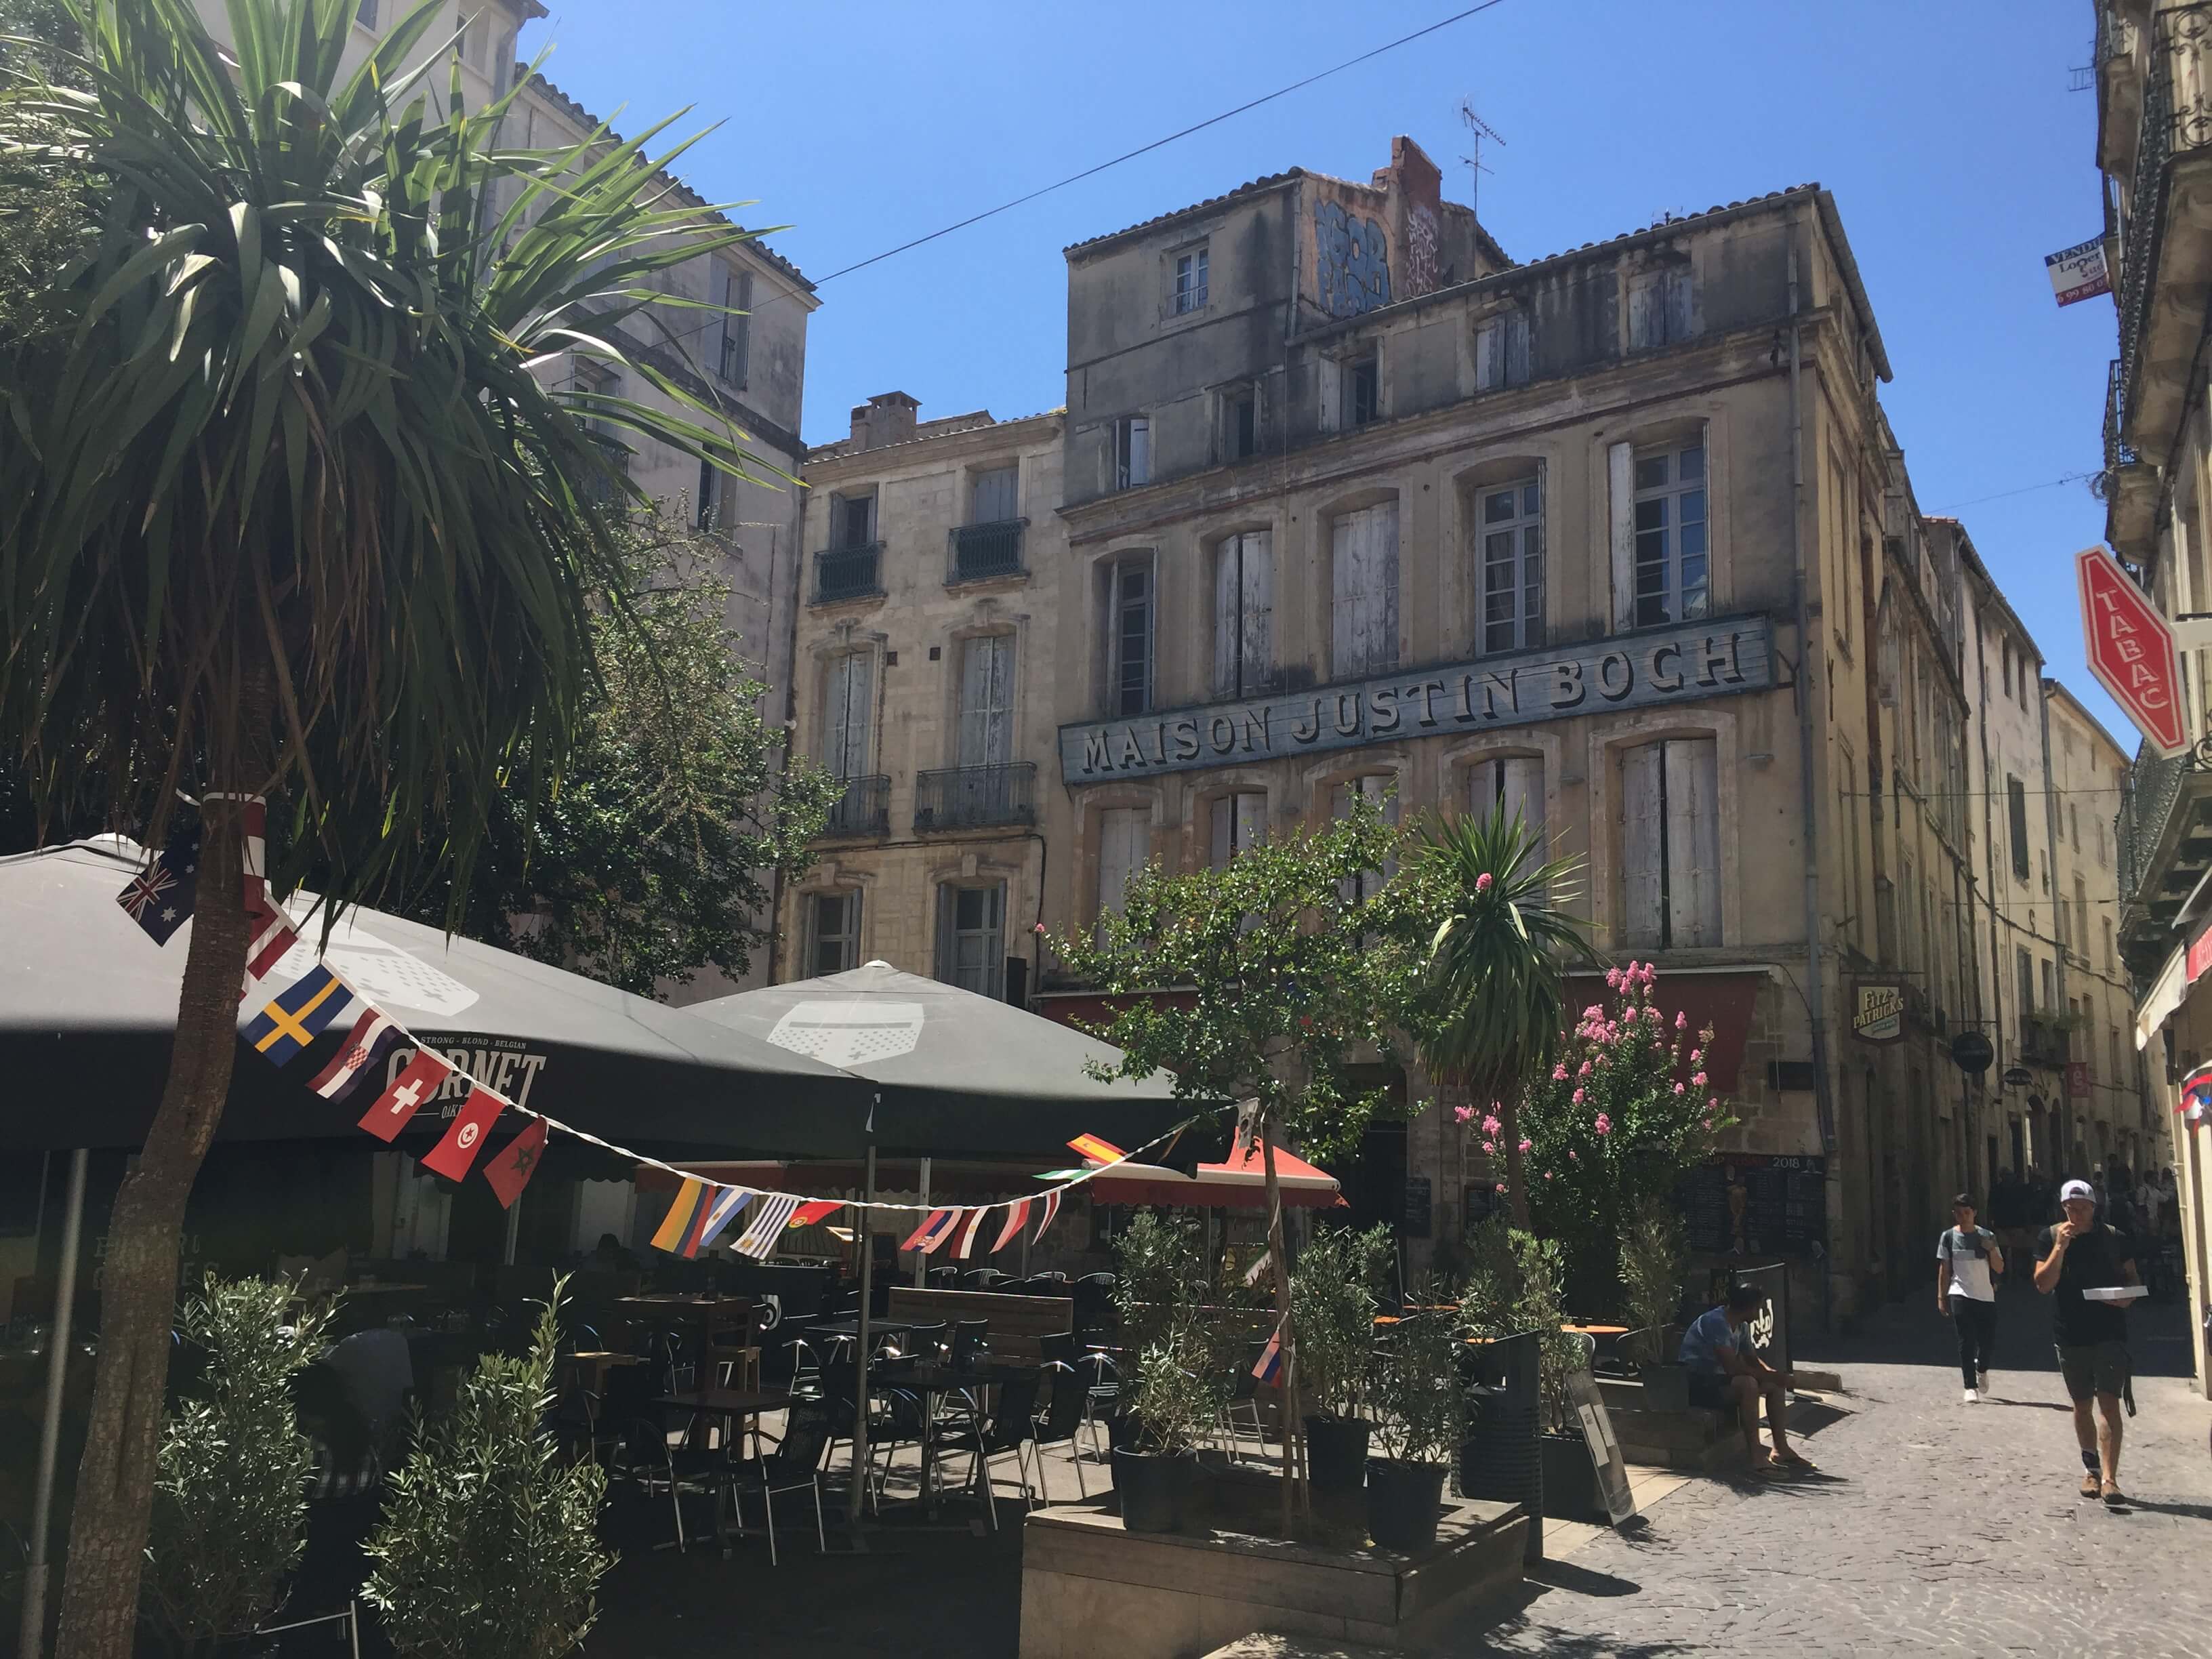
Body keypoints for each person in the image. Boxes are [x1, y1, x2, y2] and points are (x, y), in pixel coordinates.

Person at [2034, 1177, 2142, 1507]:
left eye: (2082, 1208)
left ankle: (2110, 1479)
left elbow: (2133, 1279)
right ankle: (2091, 1469)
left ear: (2094, 1208)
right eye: (2070, 1208)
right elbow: (2042, 1284)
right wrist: (2060, 1248)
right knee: (2082, 1405)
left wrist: (2127, 1299)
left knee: (2109, 1402)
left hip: (2110, 1330)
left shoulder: (2114, 1238)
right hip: (2069, 1333)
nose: (2076, 1214)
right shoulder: (2050, 1237)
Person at [1677, 1282, 1812, 1472]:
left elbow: (1753, 1360)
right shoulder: (1716, 1322)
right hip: (1699, 1384)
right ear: (1749, 1308)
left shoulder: (1742, 1326)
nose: (1759, 1313)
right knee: (1747, 1384)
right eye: (1758, 1308)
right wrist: (1770, 1376)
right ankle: (1756, 1455)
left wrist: (1775, 1375)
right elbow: (1732, 1367)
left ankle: (1781, 1448)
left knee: (1773, 1384)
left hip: (1720, 1381)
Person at [1937, 1193, 2004, 1403]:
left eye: (1967, 1213)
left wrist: (1991, 1249)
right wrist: (1942, 1296)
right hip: (1960, 1293)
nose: (1963, 1217)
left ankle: (1982, 1369)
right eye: (1958, 1213)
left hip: (1985, 1294)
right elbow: (1945, 1269)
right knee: (1966, 1341)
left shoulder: (1987, 1236)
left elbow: (2000, 1267)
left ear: (1974, 1213)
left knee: (1987, 1342)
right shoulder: (1948, 1237)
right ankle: (1970, 1386)